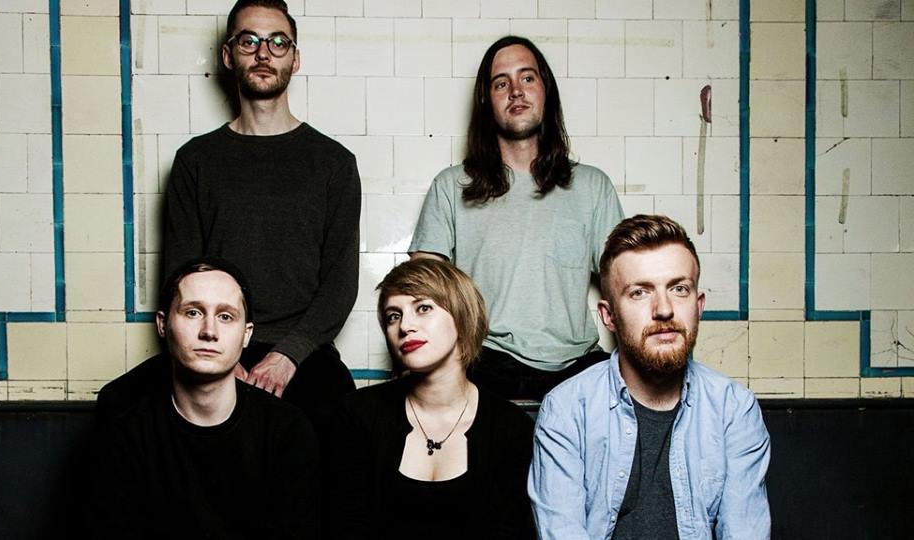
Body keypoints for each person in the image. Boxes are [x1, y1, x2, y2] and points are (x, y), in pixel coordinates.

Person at [161, 0, 359, 433]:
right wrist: (220, 357)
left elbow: (340, 284)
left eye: (278, 42)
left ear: (295, 58)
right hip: (214, 344)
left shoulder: (333, 163)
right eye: (249, 41)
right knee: (125, 408)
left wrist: (288, 356)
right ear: (228, 55)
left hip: (303, 354)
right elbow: (180, 277)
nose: (264, 53)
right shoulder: (196, 160)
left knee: (341, 424)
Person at [409, 35, 624, 401]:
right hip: (485, 361)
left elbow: (626, 281)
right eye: (501, 83)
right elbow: (421, 290)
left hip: (575, 365)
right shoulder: (451, 186)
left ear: (545, 91)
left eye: (527, 78)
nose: (516, 91)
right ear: (486, 101)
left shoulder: (592, 186)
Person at [529, 215, 771, 539]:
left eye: (679, 289)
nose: (664, 309)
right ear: (608, 316)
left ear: (699, 305)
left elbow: (744, 532)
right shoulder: (567, 409)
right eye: (639, 293)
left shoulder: (734, 409)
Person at [88, 258, 320, 539]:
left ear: (246, 334)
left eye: (226, 316)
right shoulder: (126, 431)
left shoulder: (287, 430)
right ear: (162, 324)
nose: (209, 331)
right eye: (193, 312)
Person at [326, 259, 536, 540]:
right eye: (393, 316)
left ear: (462, 315)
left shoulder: (511, 427)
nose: (405, 326)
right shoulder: (356, 414)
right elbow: (348, 526)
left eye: (423, 308)